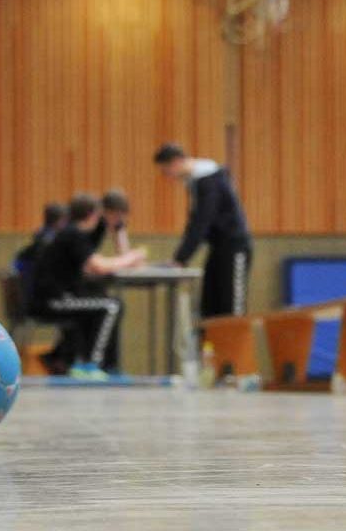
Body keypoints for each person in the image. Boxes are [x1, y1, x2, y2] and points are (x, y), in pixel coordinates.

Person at [31, 193, 146, 379]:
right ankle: (91, 364)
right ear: (94, 214)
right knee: (111, 306)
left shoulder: (71, 233)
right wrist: (131, 258)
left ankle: (68, 358)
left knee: (101, 299)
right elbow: (98, 266)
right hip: (53, 301)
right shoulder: (73, 234)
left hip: (56, 297)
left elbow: (89, 267)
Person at [154, 143, 253, 319]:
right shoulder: (195, 182)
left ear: (176, 162)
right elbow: (195, 222)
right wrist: (180, 258)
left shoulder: (208, 180)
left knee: (231, 308)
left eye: (166, 171)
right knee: (210, 305)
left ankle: (231, 346)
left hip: (235, 248)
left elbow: (201, 222)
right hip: (218, 248)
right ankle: (211, 346)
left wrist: (181, 259)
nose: (168, 177)